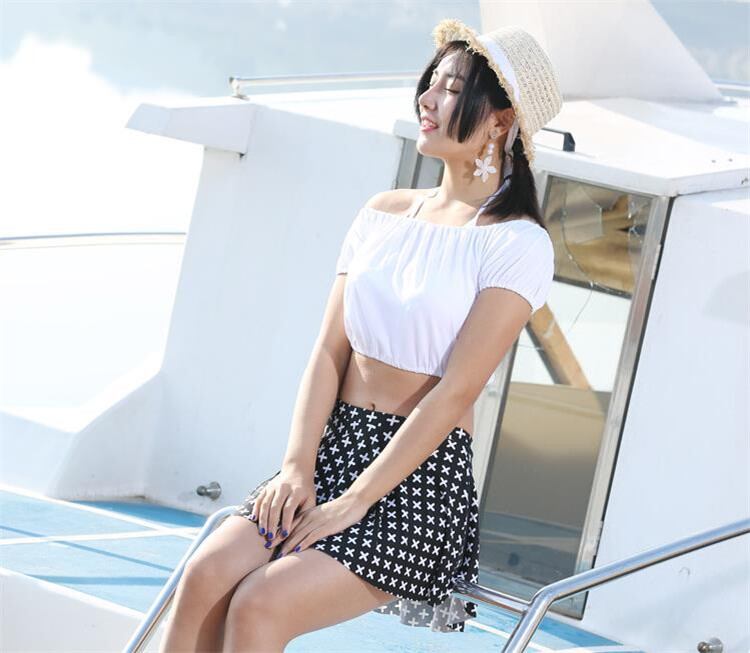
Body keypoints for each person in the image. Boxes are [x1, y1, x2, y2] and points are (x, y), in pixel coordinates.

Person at [159, 17, 562, 652]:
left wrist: (353, 502)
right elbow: (328, 351)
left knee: (261, 605)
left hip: (417, 481)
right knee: (205, 574)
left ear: (500, 120)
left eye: (452, 89)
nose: (428, 98)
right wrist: (296, 467)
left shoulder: (517, 244)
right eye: (432, 82)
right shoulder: (383, 213)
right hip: (331, 448)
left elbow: (456, 392)